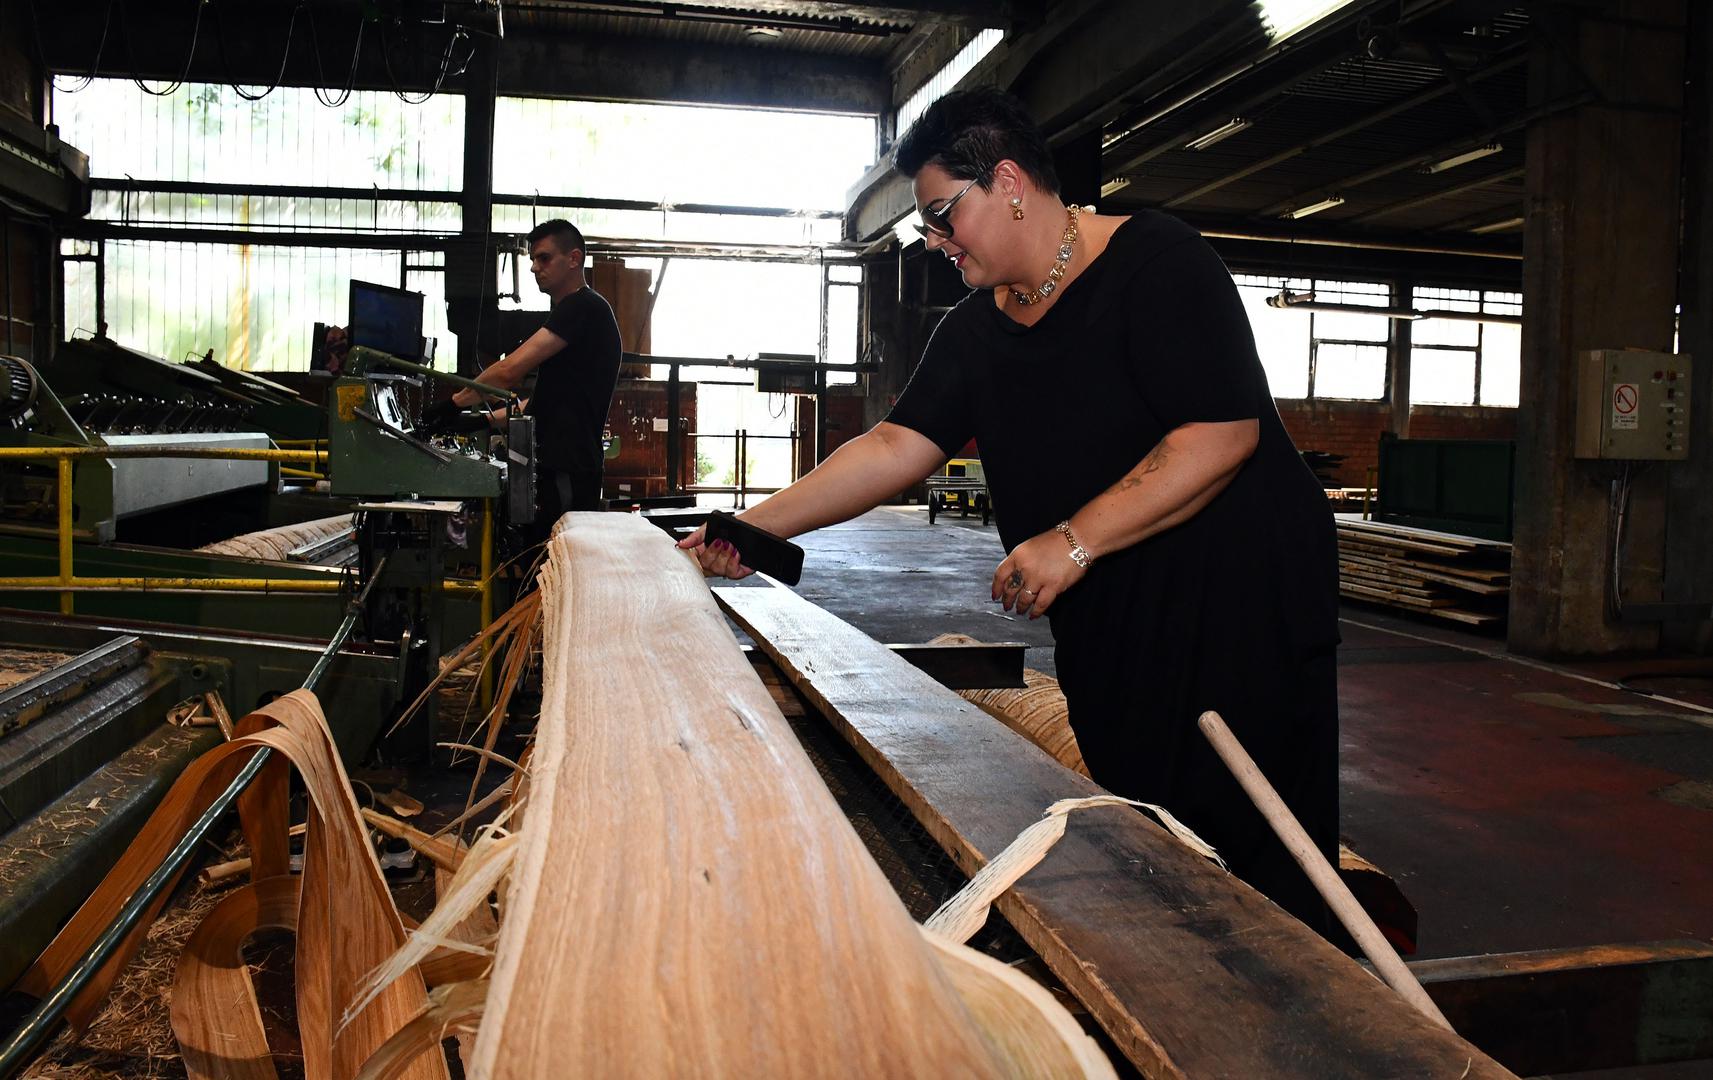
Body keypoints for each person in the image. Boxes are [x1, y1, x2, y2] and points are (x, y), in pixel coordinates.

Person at [682, 88, 1340, 933]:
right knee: (1149, 829)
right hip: (1111, 610)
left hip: (1237, 605)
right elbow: (892, 447)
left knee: (1255, 849)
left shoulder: (1159, 263)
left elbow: (1219, 434)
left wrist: (1072, 541)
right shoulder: (973, 333)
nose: (935, 241)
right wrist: (751, 526)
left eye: (942, 215)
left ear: (1008, 182)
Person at [425, 218, 623, 543]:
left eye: (543, 258)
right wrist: (482, 421)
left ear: (574, 259)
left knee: (554, 558)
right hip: (563, 467)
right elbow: (541, 401)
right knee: (542, 556)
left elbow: (508, 371)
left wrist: (453, 403)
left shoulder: (582, 307)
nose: (533, 268)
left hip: (567, 467)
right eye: (532, 260)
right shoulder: (575, 312)